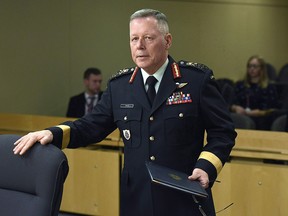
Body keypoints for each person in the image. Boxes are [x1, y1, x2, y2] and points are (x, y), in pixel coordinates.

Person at [13, 9, 236, 216]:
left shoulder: (196, 81)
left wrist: (206, 167)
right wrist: (53, 134)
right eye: (134, 38)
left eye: (148, 38)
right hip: (136, 200)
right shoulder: (120, 86)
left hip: (185, 199)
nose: (139, 46)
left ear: (167, 41)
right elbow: (92, 125)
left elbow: (223, 133)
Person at [231, 55, 281, 130]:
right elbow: (230, 103)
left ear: (261, 69)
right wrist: (235, 108)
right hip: (241, 118)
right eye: (249, 66)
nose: (251, 69)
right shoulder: (240, 85)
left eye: (255, 66)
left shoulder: (270, 87)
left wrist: (259, 113)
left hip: (261, 121)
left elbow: (273, 110)